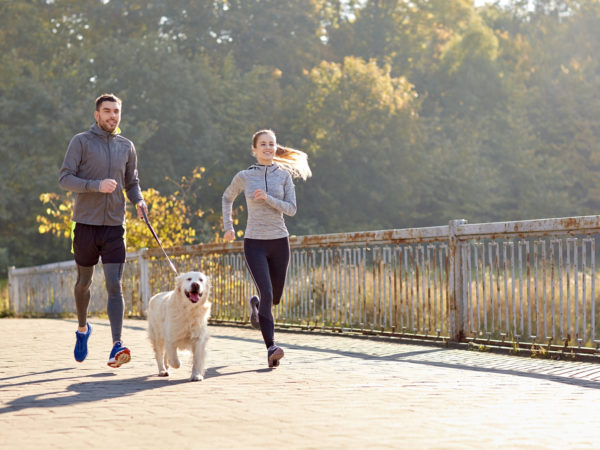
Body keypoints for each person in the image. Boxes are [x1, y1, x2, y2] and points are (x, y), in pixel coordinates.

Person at [59, 93, 147, 368]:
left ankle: (116, 345)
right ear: (96, 114)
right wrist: (96, 185)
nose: (112, 116)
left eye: (116, 111)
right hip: (85, 224)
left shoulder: (126, 146)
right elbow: (65, 178)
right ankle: (83, 329)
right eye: (107, 111)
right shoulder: (81, 141)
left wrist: (140, 201)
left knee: (114, 284)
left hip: (114, 226)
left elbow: (132, 183)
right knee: (84, 282)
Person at [222, 129, 311, 368]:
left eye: (271, 144)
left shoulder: (283, 176)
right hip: (254, 243)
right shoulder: (244, 176)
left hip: (279, 241)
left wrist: (268, 198)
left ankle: (255, 306)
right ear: (254, 149)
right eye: (263, 144)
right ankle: (271, 348)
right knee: (268, 293)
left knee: (275, 298)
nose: (268, 148)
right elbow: (227, 197)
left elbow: (291, 209)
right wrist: (229, 226)